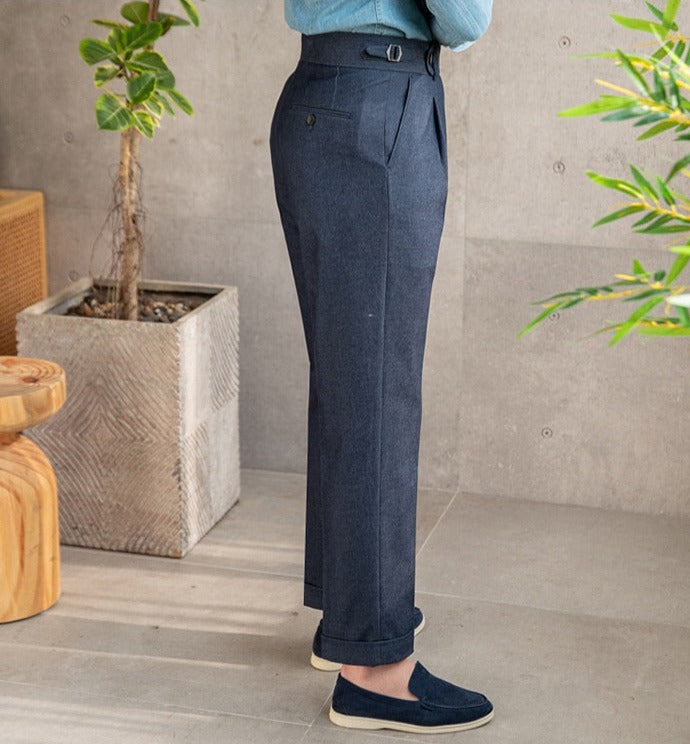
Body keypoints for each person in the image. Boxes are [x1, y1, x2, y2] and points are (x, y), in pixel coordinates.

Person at [268, 0, 494, 733]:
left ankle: (348, 616)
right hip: (376, 112)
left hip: (323, 97)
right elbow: (464, 19)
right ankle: (374, 670)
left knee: (350, 385)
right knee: (375, 397)